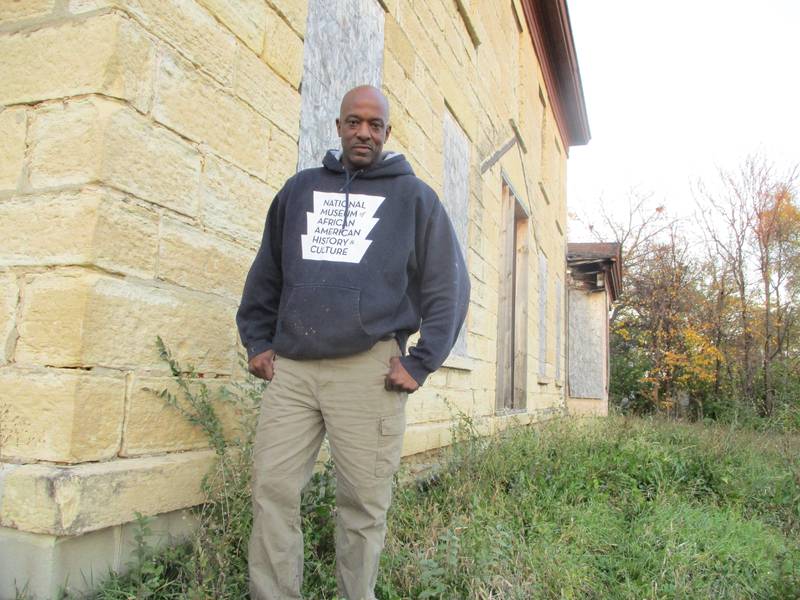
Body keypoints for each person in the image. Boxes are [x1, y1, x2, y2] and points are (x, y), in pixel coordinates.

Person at [237, 85, 470, 600]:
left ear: (388, 132)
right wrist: (257, 340)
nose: (363, 132)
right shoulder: (299, 191)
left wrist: (422, 360)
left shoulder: (415, 200)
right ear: (339, 125)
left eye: (375, 125)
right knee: (272, 491)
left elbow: (448, 285)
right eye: (354, 122)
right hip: (294, 371)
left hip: (367, 372)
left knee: (362, 505)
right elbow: (267, 274)